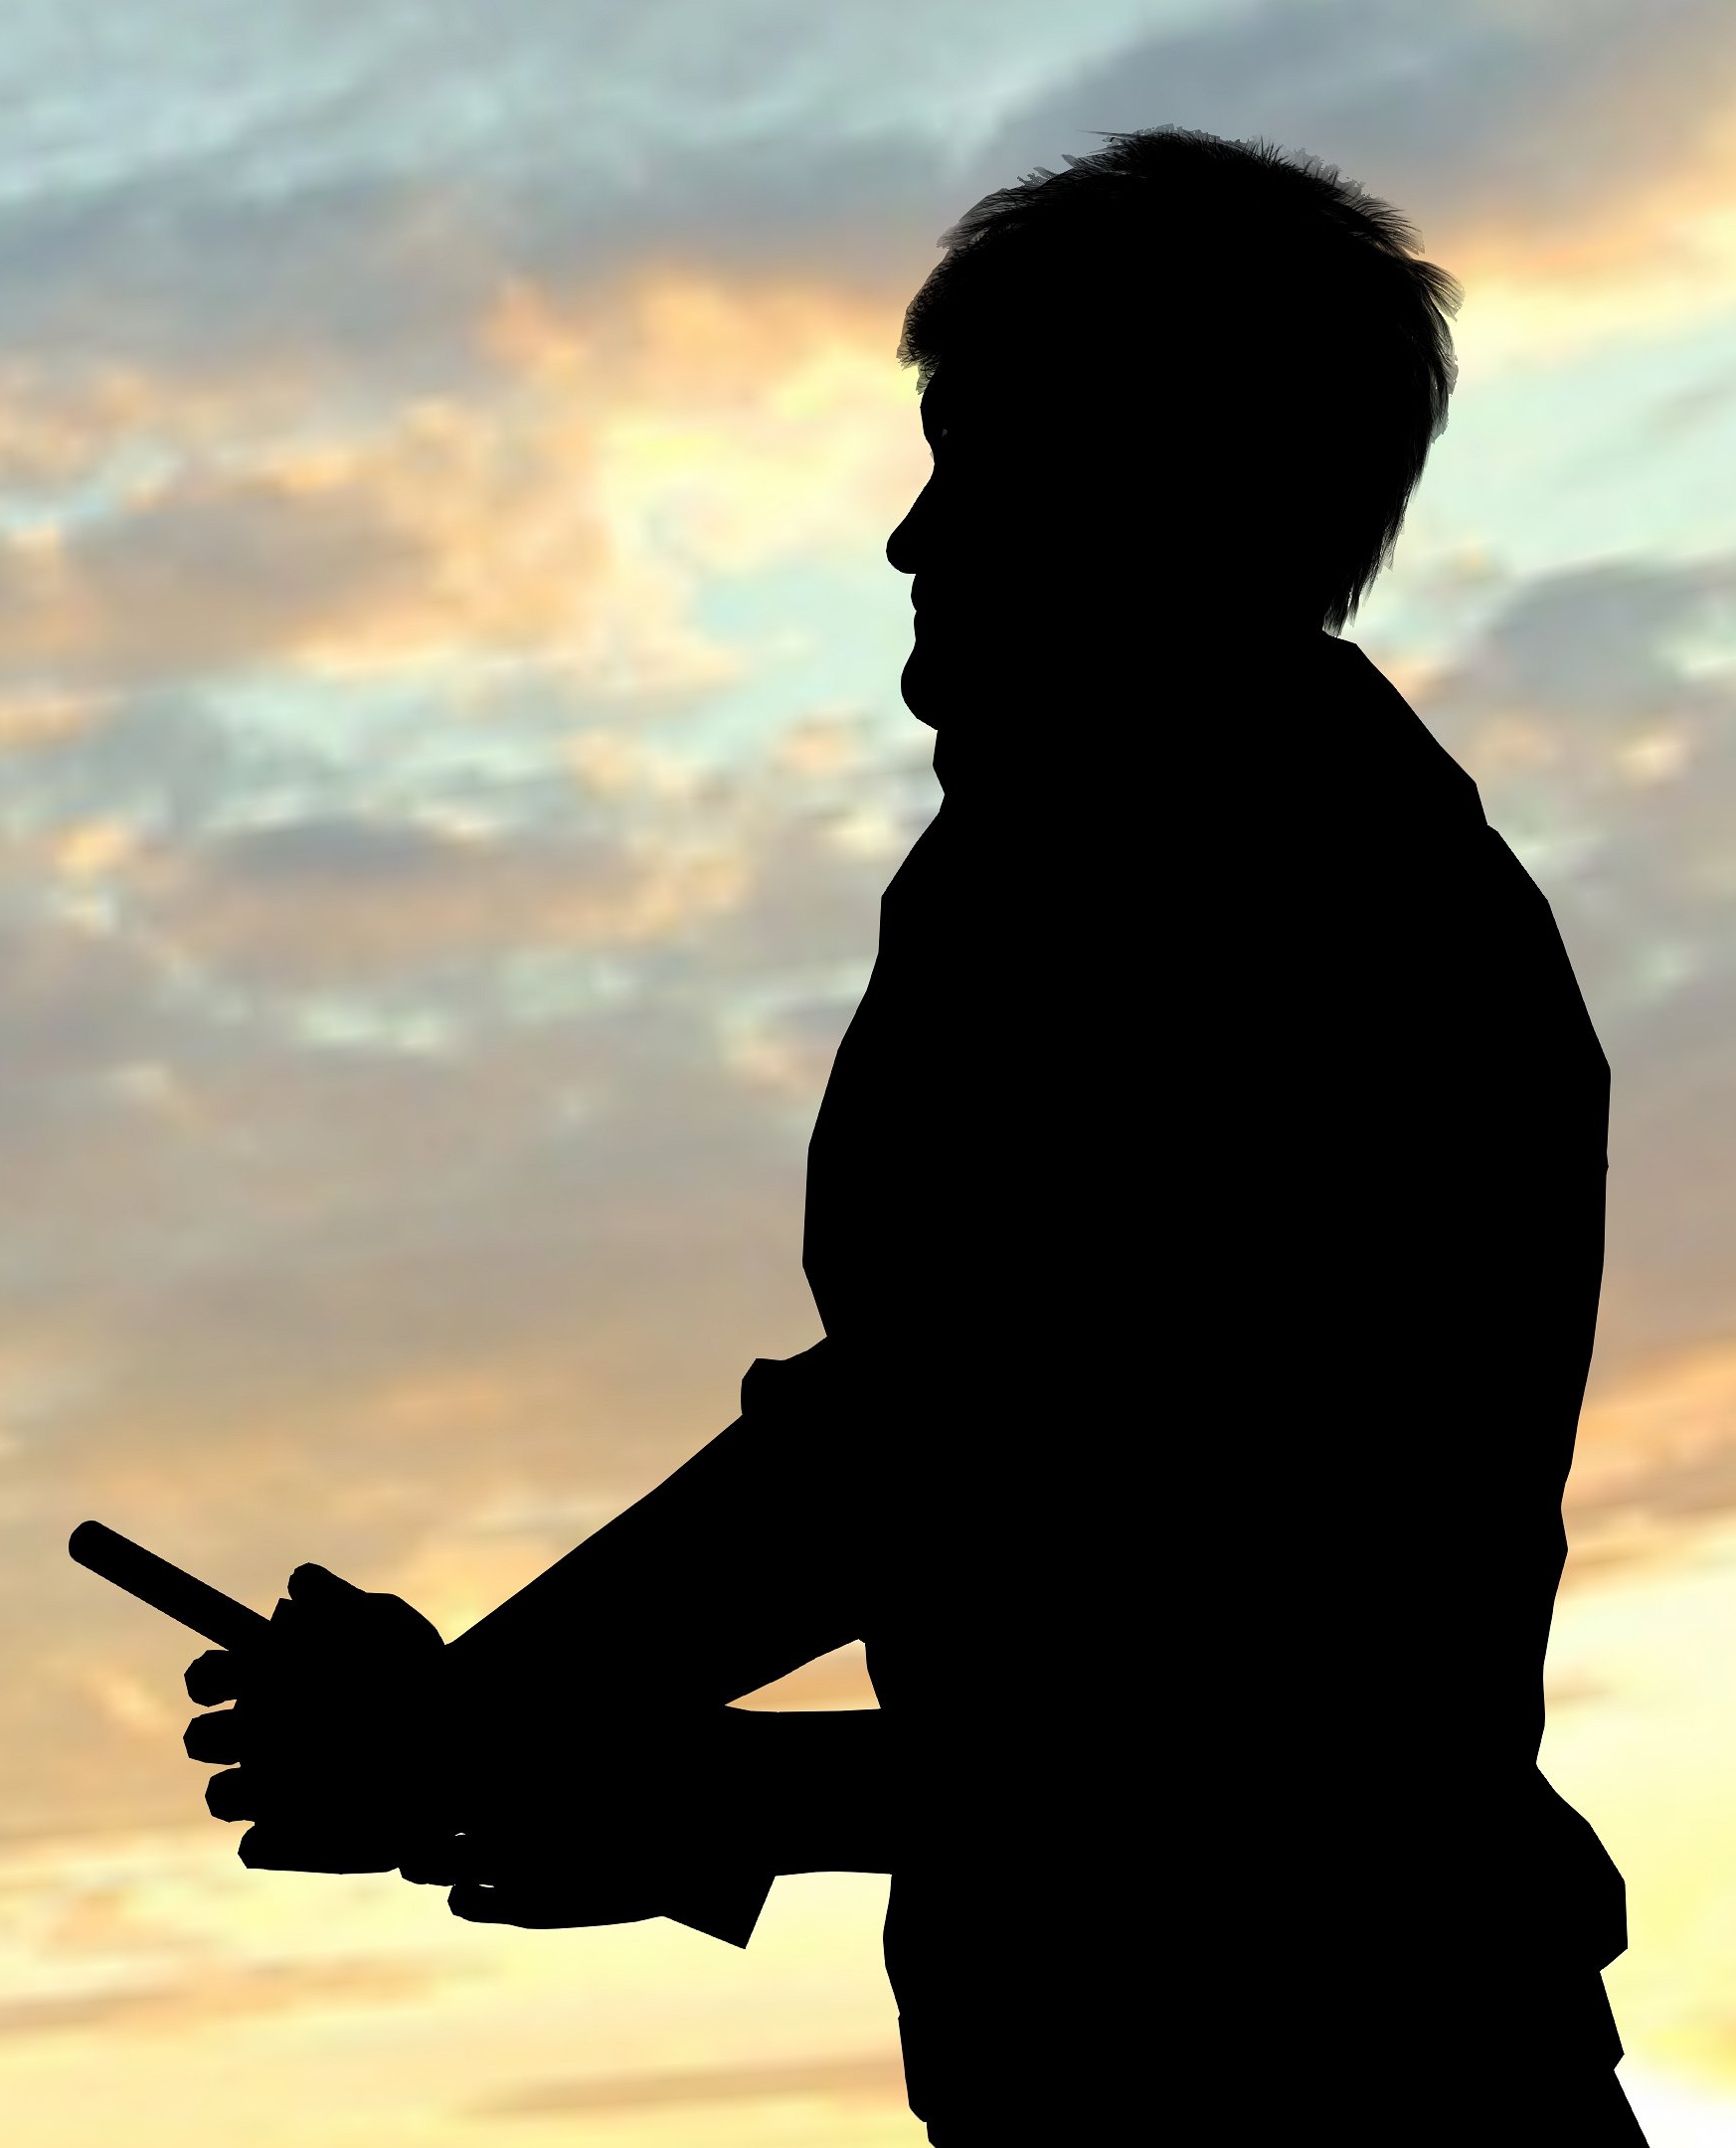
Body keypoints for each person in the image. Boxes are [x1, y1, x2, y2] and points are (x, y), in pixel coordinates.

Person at [180, 127, 1642, 2145]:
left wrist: (545, 1745)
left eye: (976, 457)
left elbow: (1234, 1711)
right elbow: (939, 1464)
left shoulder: (1278, 893)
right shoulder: (1103, 864)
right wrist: (508, 1725)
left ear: (1152, 483)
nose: (909, 539)